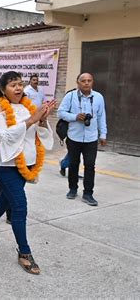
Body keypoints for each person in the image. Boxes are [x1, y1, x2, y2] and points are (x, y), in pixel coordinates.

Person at [0, 71, 55, 275]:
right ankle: (25, 252)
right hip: (4, 166)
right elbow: (3, 138)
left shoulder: (28, 107)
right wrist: (31, 120)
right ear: (3, 89)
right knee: (19, 206)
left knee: (5, 200)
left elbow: (38, 135)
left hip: (26, 164)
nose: (18, 88)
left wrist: (42, 120)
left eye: (20, 84)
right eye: (13, 85)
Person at [57, 72, 107, 206]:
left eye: (89, 80)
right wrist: (75, 117)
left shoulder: (98, 97)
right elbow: (60, 112)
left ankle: (88, 193)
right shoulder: (70, 96)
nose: (86, 83)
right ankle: (72, 189)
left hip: (91, 139)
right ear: (78, 83)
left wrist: (103, 134)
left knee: (90, 166)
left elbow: (102, 116)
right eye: (83, 81)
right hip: (74, 137)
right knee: (73, 164)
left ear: (92, 82)